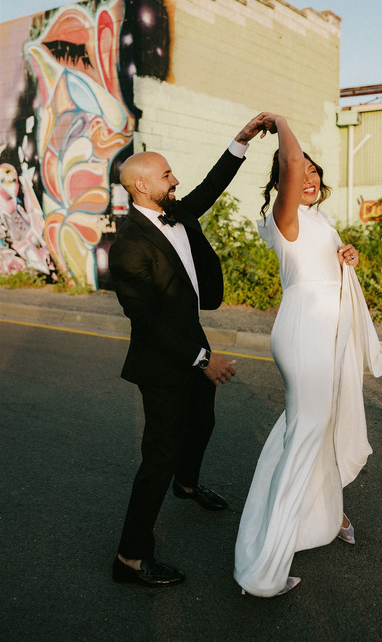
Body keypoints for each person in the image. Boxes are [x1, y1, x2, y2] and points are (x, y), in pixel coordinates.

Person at [109, 112, 269, 588]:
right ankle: (130, 558)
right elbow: (148, 322)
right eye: (166, 175)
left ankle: (187, 484)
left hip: (192, 341)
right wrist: (203, 360)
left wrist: (241, 140)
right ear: (142, 187)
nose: (175, 180)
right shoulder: (128, 246)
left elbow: (212, 186)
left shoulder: (176, 210)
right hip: (162, 361)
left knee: (203, 422)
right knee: (160, 454)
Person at [234, 114, 382, 597]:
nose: (309, 177)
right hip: (305, 333)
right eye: (301, 172)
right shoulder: (287, 218)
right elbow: (291, 161)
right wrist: (279, 122)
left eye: (315, 171)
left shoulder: (320, 220)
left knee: (312, 428)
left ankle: (324, 516)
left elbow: (327, 271)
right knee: (305, 436)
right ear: (284, 181)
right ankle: (264, 569)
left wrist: (348, 260)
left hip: (327, 333)